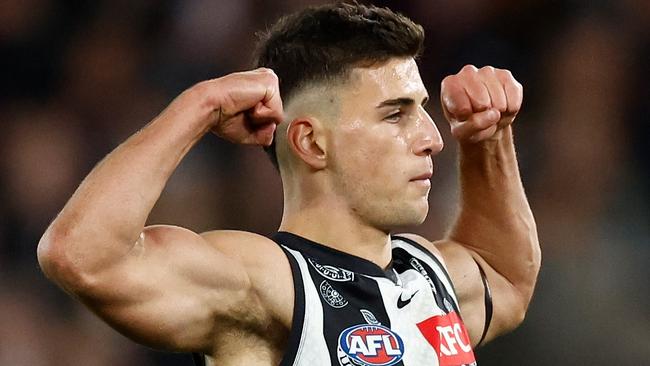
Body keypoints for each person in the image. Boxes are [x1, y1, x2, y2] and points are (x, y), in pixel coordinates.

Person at [37, 3, 540, 366]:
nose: (432, 139)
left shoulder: (428, 274)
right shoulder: (270, 284)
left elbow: (506, 277)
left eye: (423, 112)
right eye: (395, 115)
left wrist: (487, 138)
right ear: (312, 143)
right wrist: (199, 106)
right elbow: (81, 256)